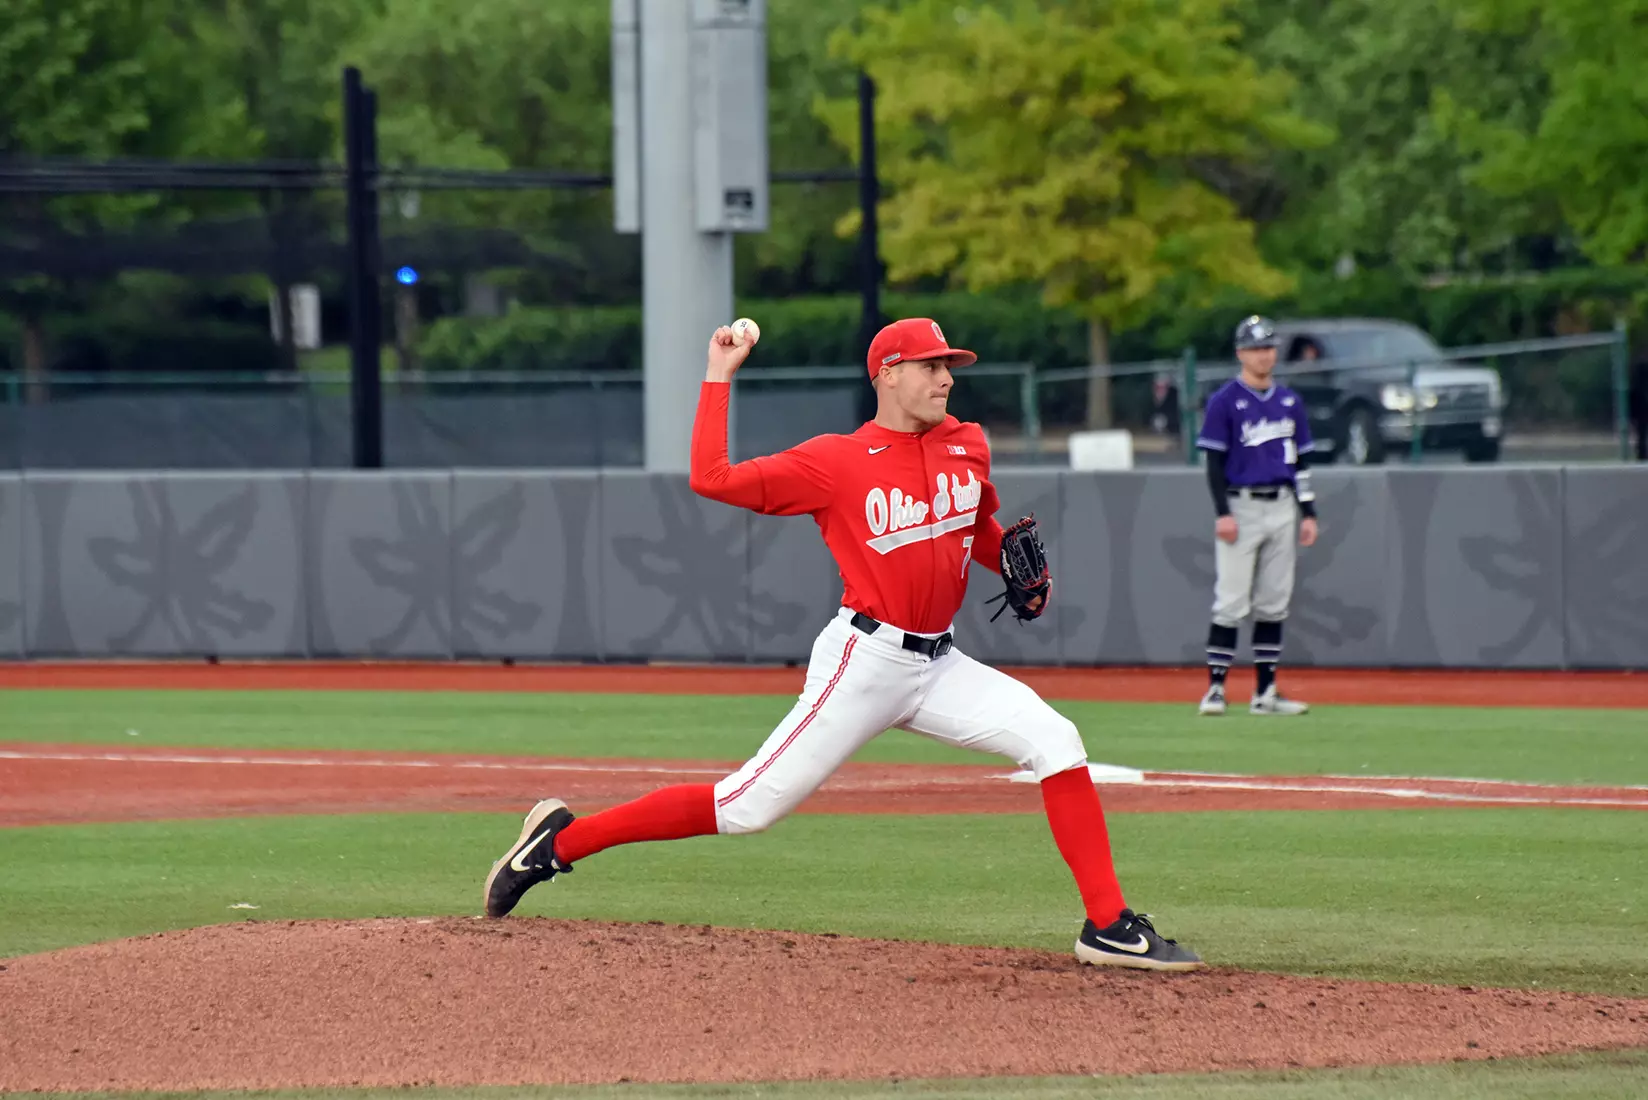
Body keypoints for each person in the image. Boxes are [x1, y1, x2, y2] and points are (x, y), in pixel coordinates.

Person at [481, 317, 1204, 972]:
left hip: (941, 663)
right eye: (930, 366)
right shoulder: (836, 461)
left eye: (949, 366)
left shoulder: (967, 443)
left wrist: (1016, 571)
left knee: (1056, 738)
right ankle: (559, 843)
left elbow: (977, 528)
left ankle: (1107, 925)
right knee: (746, 807)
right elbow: (712, 478)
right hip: (866, 661)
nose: (946, 379)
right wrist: (718, 375)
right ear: (888, 373)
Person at [1195, 315, 1318, 717]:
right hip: (1241, 504)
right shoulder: (1225, 400)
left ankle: (1266, 692)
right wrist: (1223, 513)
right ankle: (1215, 689)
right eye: (1255, 348)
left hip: (1282, 504)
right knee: (1230, 601)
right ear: (1240, 353)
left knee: (1274, 603)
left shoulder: (1290, 402)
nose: (1264, 355)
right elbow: (1214, 463)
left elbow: (1301, 463)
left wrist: (1308, 512)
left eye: (1268, 347)